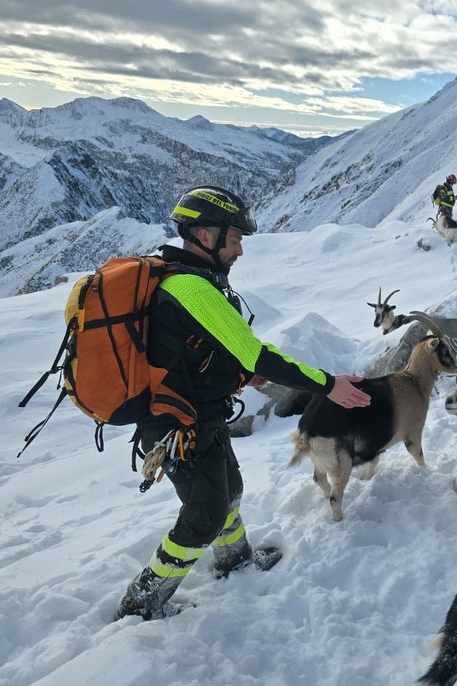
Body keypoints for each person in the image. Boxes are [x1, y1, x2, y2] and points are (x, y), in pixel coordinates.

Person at [114, 185, 371, 621]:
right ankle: (142, 600)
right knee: (205, 512)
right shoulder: (191, 289)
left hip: (200, 417)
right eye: (234, 239)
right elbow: (257, 353)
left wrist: (236, 372)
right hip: (177, 425)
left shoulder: (196, 284)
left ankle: (234, 559)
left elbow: (199, 352)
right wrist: (327, 384)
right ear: (203, 235)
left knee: (229, 490)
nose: (240, 251)